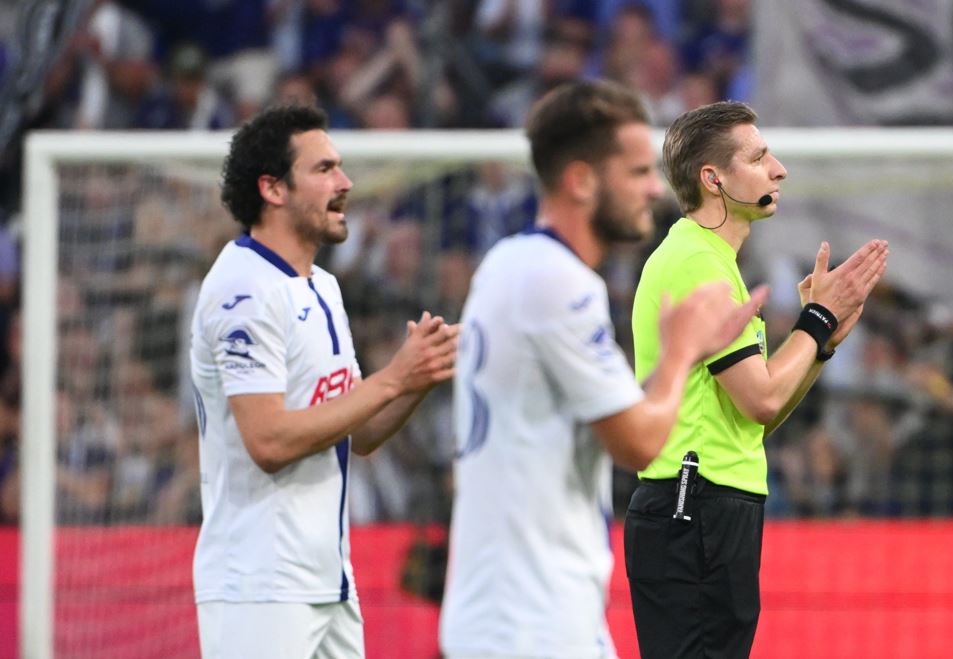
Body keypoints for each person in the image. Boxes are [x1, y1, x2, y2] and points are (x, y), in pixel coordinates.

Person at [439, 80, 767, 659]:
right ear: (582, 180)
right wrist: (682, 353)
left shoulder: (511, 265)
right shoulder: (557, 284)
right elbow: (640, 442)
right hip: (526, 620)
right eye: (637, 173)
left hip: (531, 608)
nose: (652, 191)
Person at [189, 104, 459, 659]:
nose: (346, 183)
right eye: (324, 169)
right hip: (259, 586)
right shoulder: (243, 292)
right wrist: (391, 379)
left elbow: (358, 433)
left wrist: (418, 377)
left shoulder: (323, 288)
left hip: (328, 580)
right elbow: (267, 442)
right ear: (273, 188)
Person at [624, 101, 888, 658]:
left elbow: (753, 419)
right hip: (692, 505)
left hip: (709, 504)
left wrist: (821, 348)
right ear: (713, 179)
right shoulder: (696, 262)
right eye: (759, 156)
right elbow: (764, 399)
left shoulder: (712, 263)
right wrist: (816, 321)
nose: (779, 169)